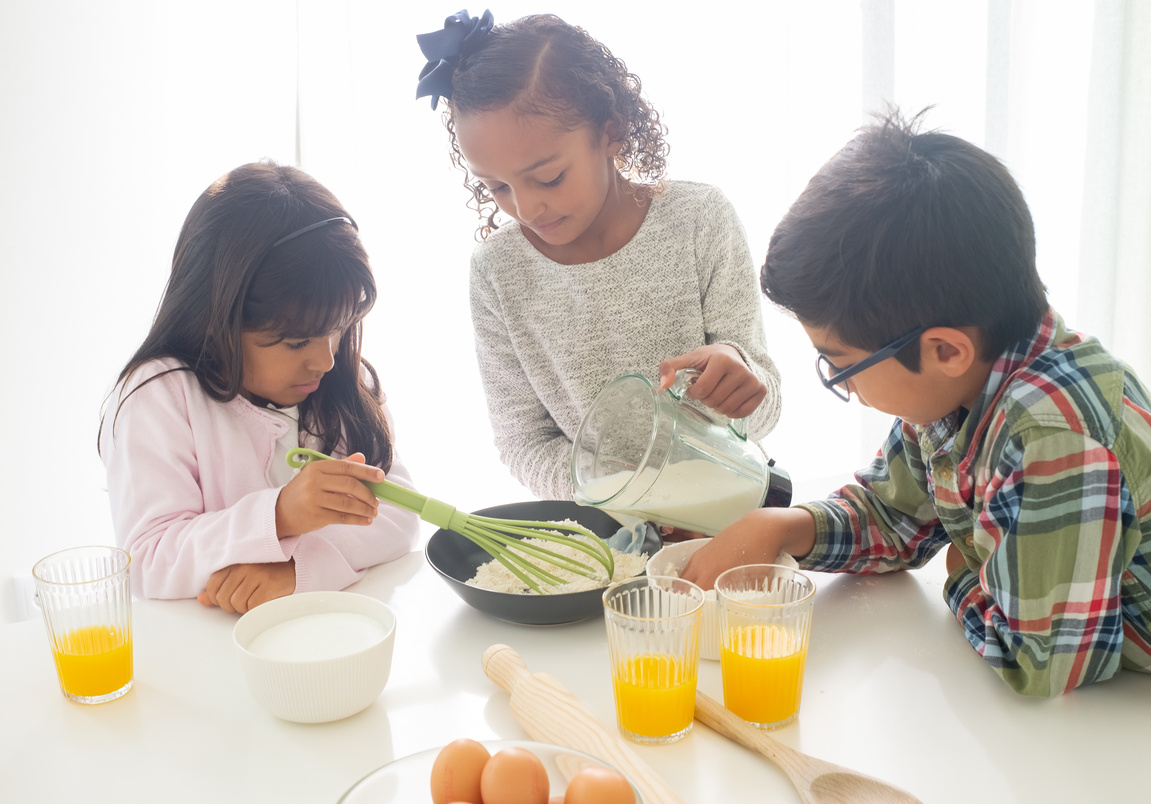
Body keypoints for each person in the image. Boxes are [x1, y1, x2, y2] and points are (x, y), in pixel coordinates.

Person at [682, 109, 1151, 697]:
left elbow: (1040, 662)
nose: (844, 385)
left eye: (841, 365)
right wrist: (784, 525)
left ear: (945, 350)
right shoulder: (953, 391)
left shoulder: (1055, 437)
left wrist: (962, 572)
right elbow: (895, 514)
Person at [415, 10, 782, 502]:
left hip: (726, 506)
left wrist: (739, 375)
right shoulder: (497, 272)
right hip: (603, 531)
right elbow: (523, 441)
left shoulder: (700, 219)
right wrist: (622, 494)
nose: (525, 208)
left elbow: (764, 407)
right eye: (496, 187)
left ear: (612, 132)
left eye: (548, 179)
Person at [99, 161, 420, 614]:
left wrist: (295, 572)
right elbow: (149, 558)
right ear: (217, 321)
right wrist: (280, 515)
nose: (325, 359)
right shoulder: (160, 396)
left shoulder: (343, 382)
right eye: (296, 342)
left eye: (340, 328)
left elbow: (398, 515)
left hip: (329, 636)